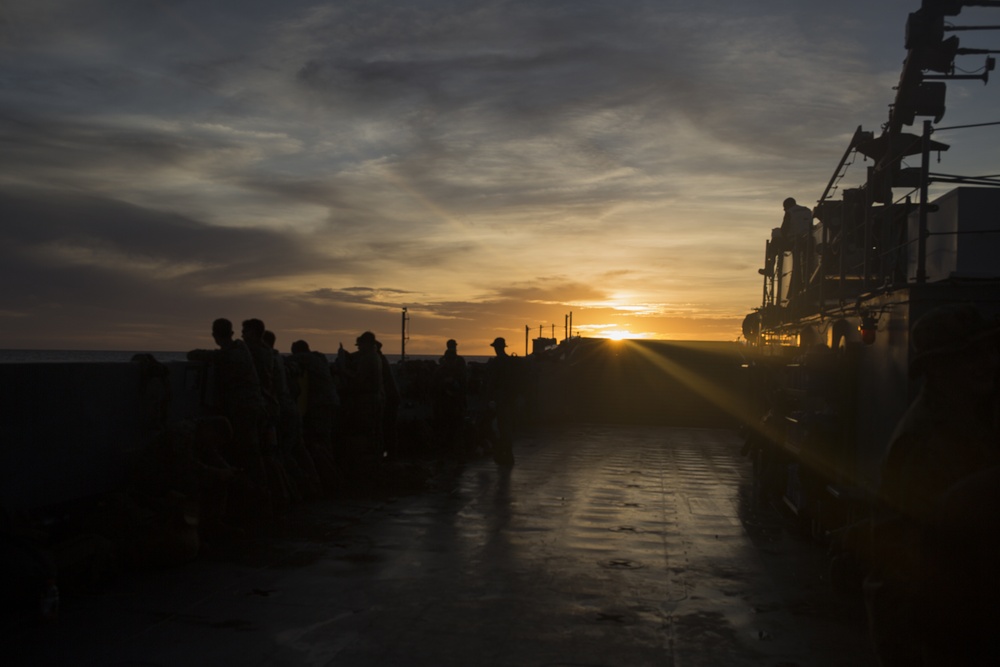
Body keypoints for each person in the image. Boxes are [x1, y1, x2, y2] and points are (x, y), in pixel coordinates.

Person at [864, 304, 1000, 666]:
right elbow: (897, 561)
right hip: (944, 630)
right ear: (937, 369)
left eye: (988, 351)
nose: (985, 363)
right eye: (966, 357)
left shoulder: (974, 421)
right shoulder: (924, 443)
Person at [186, 318, 271, 520]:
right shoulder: (241, 350)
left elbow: (208, 356)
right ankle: (256, 504)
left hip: (245, 411)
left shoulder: (234, 353)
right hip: (250, 409)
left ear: (215, 336)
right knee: (250, 455)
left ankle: (257, 505)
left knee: (250, 456)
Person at [486, 337, 517, 465]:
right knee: (505, 428)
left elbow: (493, 381)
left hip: (501, 399)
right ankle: (507, 454)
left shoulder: (498, 362)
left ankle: (503, 454)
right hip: (508, 399)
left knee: (501, 428)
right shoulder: (509, 362)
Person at [434, 339, 468, 458]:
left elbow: (463, 385)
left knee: (454, 431)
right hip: (448, 405)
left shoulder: (446, 366)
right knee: (451, 431)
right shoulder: (453, 365)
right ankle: (452, 454)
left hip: (453, 405)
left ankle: (453, 454)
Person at [780, 197, 814, 296]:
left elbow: (784, 229)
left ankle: (796, 284)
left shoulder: (790, 212)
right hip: (809, 239)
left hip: (795, 241)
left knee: (796, 264)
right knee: (807, 262)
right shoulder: (807, 210)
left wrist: (784, 240)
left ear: (787, 206)